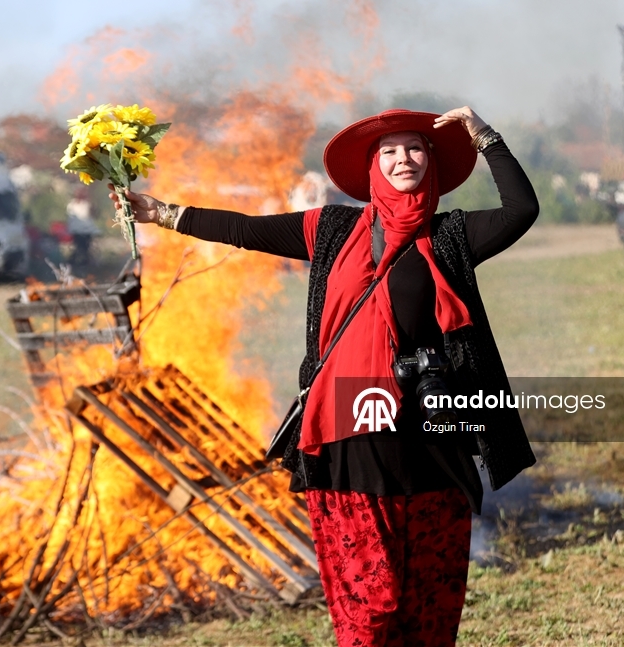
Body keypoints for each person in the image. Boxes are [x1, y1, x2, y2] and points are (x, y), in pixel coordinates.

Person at [111, 107, 538, 646]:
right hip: (348, 432)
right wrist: (163, 213)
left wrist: (485, 135)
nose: (402, 159)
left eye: (414, 148)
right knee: (373, 603)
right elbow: (245, 229)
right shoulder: (332, 229)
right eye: (389, 151)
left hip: (433, 435)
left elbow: (522, 208)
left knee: (431, 607)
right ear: (370, 169)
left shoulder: (452, 234)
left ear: (431, 161)